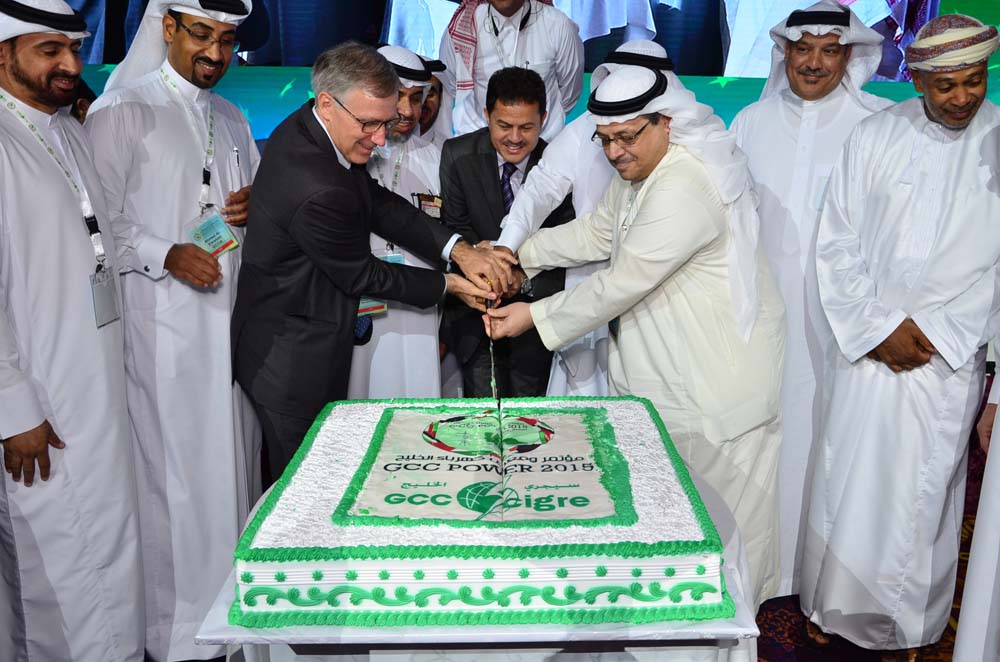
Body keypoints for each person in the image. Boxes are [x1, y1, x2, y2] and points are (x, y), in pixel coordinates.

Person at [485, 65, 787, 607]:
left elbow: (621, 282)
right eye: (604, 140)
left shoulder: (687, 183)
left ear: (665, 122)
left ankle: (731, 639)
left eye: (626, 137)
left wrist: (532, 316)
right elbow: (597, 233)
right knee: (674, 536)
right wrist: (515, 256)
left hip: (715, 392)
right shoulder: (643, 174)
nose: (615, 152)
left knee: (724, 546)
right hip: (670, 380)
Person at [800, 14, 1000, 659]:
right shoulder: (875, 134)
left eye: (974, 81)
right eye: (946, 86)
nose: (963, 97)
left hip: (945, 357)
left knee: (922, 495)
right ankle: (829, 606)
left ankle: (904, 629)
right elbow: (836, 242)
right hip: (867, 345)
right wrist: (877, 327)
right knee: (844, 479)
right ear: (916, 80)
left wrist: (937, 330)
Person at [231, 42, 513, 483]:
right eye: (369, 124)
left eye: (384, 123)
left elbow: (377, 201)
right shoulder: (316, 184)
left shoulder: (312, 125)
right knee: (306, 487)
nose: (381, 139)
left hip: (299, 333)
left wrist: (458, 249)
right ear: (328, 103)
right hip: (291, 359)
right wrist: (452, 286)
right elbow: (362, 273)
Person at [85, 1, 260, 659]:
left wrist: (253, 208)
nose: (215, 53)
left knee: (227, 476)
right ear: (167, 27)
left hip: (229, 337)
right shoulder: (120, 113)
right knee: (174, 487)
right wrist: (168, 253)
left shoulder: (232, 117)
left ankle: (228, 624)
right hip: (162, 334)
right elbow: (98, 226)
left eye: (227, 39)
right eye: (202, 35)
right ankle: (177, 638)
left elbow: (239, 215)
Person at [729, 0, 891, 599]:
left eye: (829, 50)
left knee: (829, 437)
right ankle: (757, 566)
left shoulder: (875, 124)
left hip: (840, 320)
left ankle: (815, 576)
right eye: (803, 49)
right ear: (785, 53)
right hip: (757, 310)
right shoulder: (750, 122)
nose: (814, 63)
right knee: (758, 432)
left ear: (849, 56)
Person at [0, 1, 144, 659]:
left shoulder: (67, 131)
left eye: (74, 49)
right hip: (41, 403)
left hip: (95, 384)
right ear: (3, 53)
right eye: (48, 50)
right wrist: (14, 409)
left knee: (108, 552)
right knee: (53, 571)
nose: (69, 64)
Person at [494, 39, 673, 397]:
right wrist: (506, 250)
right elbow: (542, 191)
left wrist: (533, 311)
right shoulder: (584, 132)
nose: (615, 149)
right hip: (587, 282)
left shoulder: (686, 155)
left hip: (660, 299)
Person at [440, 66, 574, 398]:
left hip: (536, 320)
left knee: (530, 421)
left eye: (526, 127)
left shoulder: (560, 165)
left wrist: (522, 279)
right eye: (504, 126)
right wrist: (488, 273)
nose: (515, 138)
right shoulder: (457, 154)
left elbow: (569, 244)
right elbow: (454, 230)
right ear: (487, 115)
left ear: (544, 119)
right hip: (475, 316)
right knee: (482, 416)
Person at [347, 45, 446, 399]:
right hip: (363, 308)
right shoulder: (350, 153)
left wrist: (448, 332)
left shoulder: (441, 159)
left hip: (422, 316)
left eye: (416, 98)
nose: (407, 110)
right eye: (398, 96)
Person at [438, 0, 583, 141]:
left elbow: (569, 94)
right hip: (477, 146)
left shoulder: (558, 25)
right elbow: (451, 84)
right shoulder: (463, 27)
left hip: (542, 145)